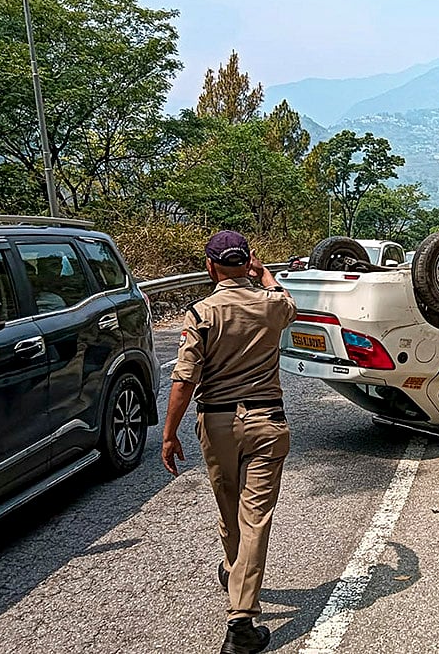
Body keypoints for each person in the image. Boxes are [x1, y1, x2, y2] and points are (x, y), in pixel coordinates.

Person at [161, 230, 296, 654]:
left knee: (230, 510)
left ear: (209, 265)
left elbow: (185, 380)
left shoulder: (201, 313)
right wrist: (266, 275)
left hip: (217, 424)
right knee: (254, 517)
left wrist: (168, 435)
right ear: (249, 262)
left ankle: (240, 606)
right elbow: (286, 301)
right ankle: (240, 613)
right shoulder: (272, 305)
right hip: (266, 422)